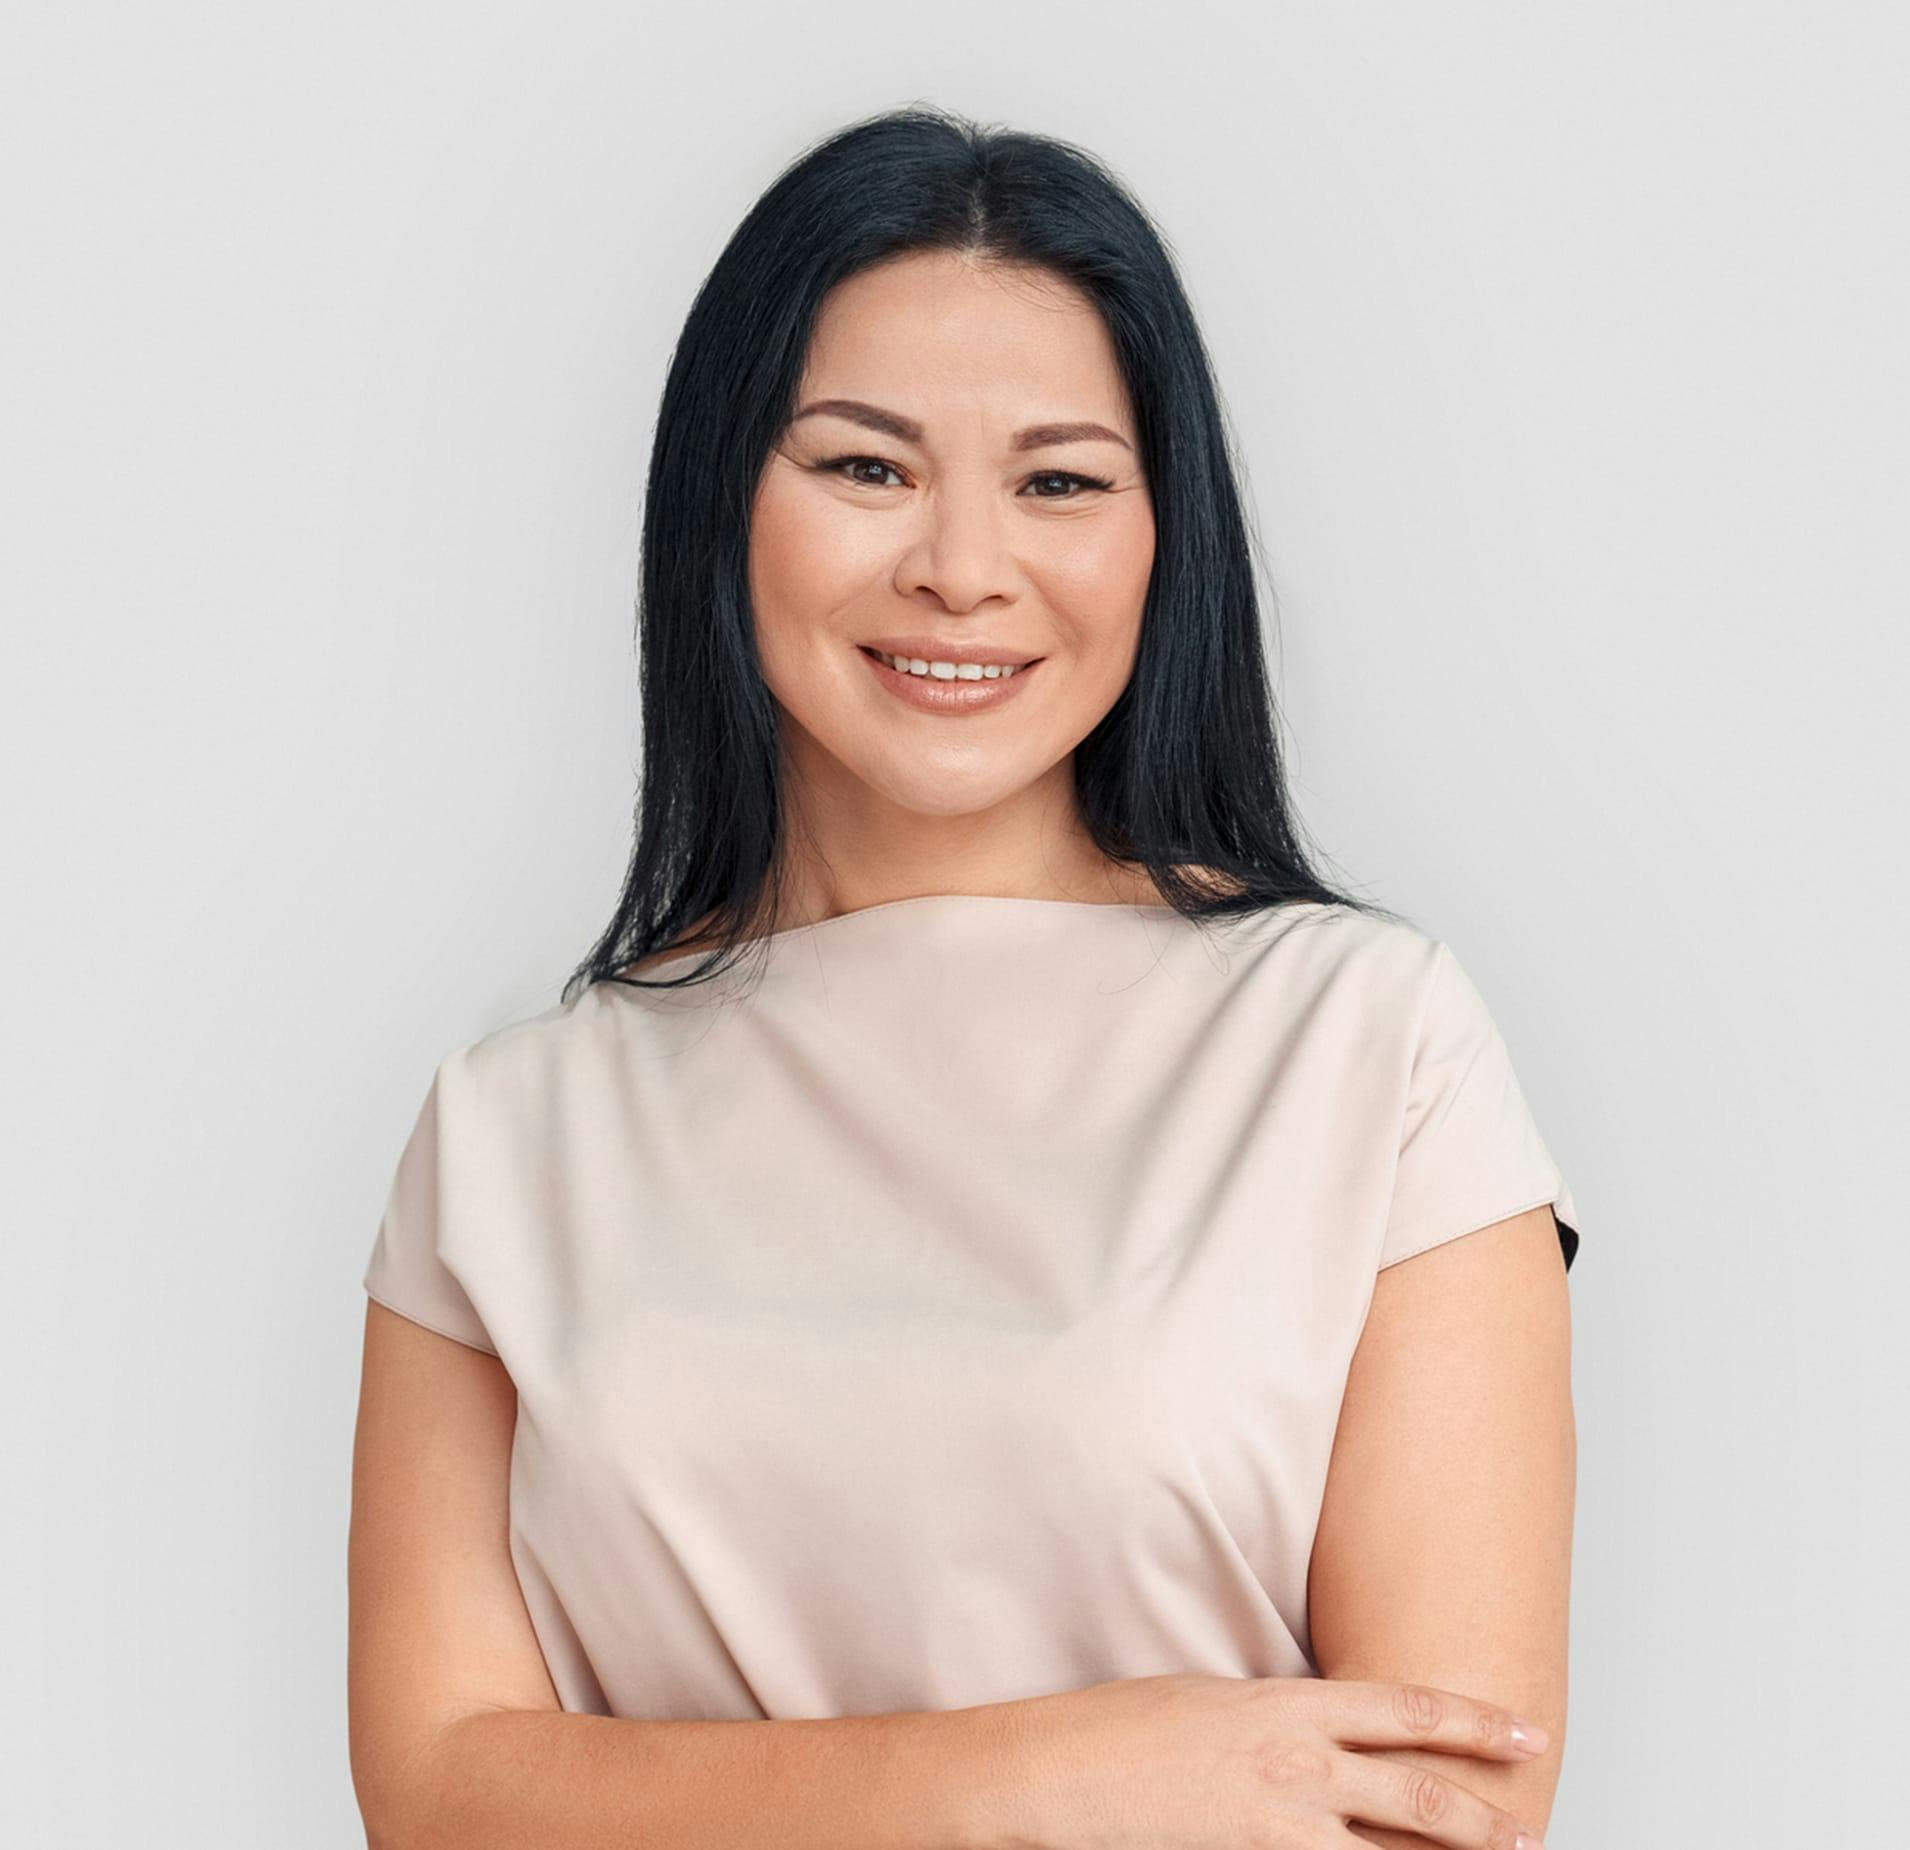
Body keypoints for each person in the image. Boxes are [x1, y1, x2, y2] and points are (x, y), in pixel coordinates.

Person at [348, 104, 1579, 1850]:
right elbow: (443, 1793)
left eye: (1060, 480)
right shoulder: (509, 1131)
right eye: (865, 465)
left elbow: (1444, 1807)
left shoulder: (1370, 1048)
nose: (961, 566)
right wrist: (1059, 1778)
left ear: (1168, 542)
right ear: (723, 502)